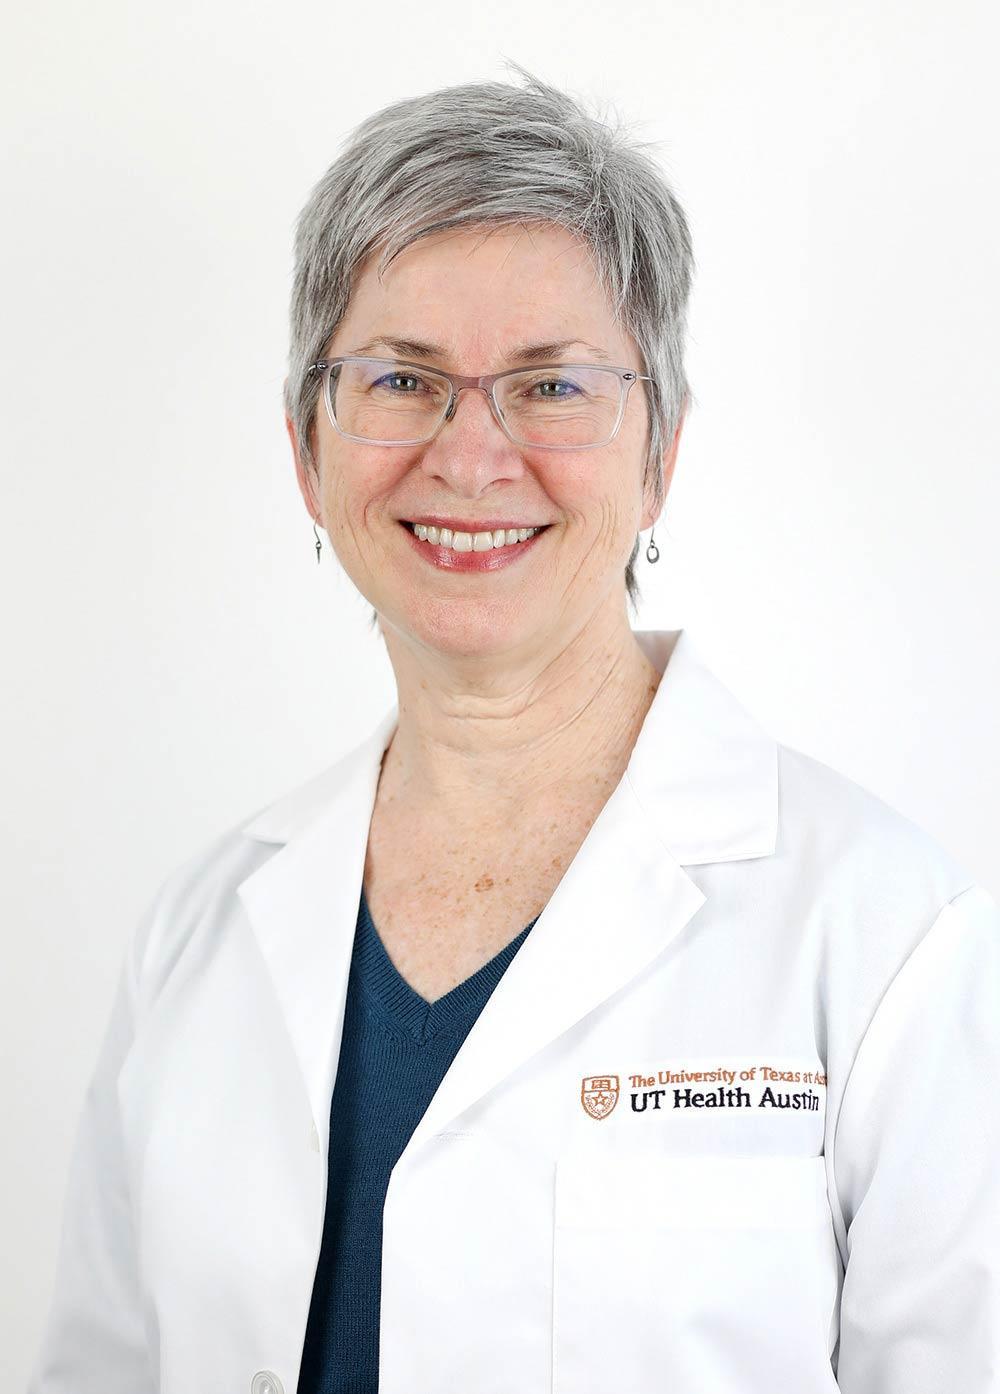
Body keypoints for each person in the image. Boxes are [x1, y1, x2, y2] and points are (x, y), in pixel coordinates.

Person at [29, 65, 999, 1394]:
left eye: (550, 387)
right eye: (401, 378)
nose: (471, 455)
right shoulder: (197, 936)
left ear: (658, 451)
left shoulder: (888, 936)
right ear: (307, 453)